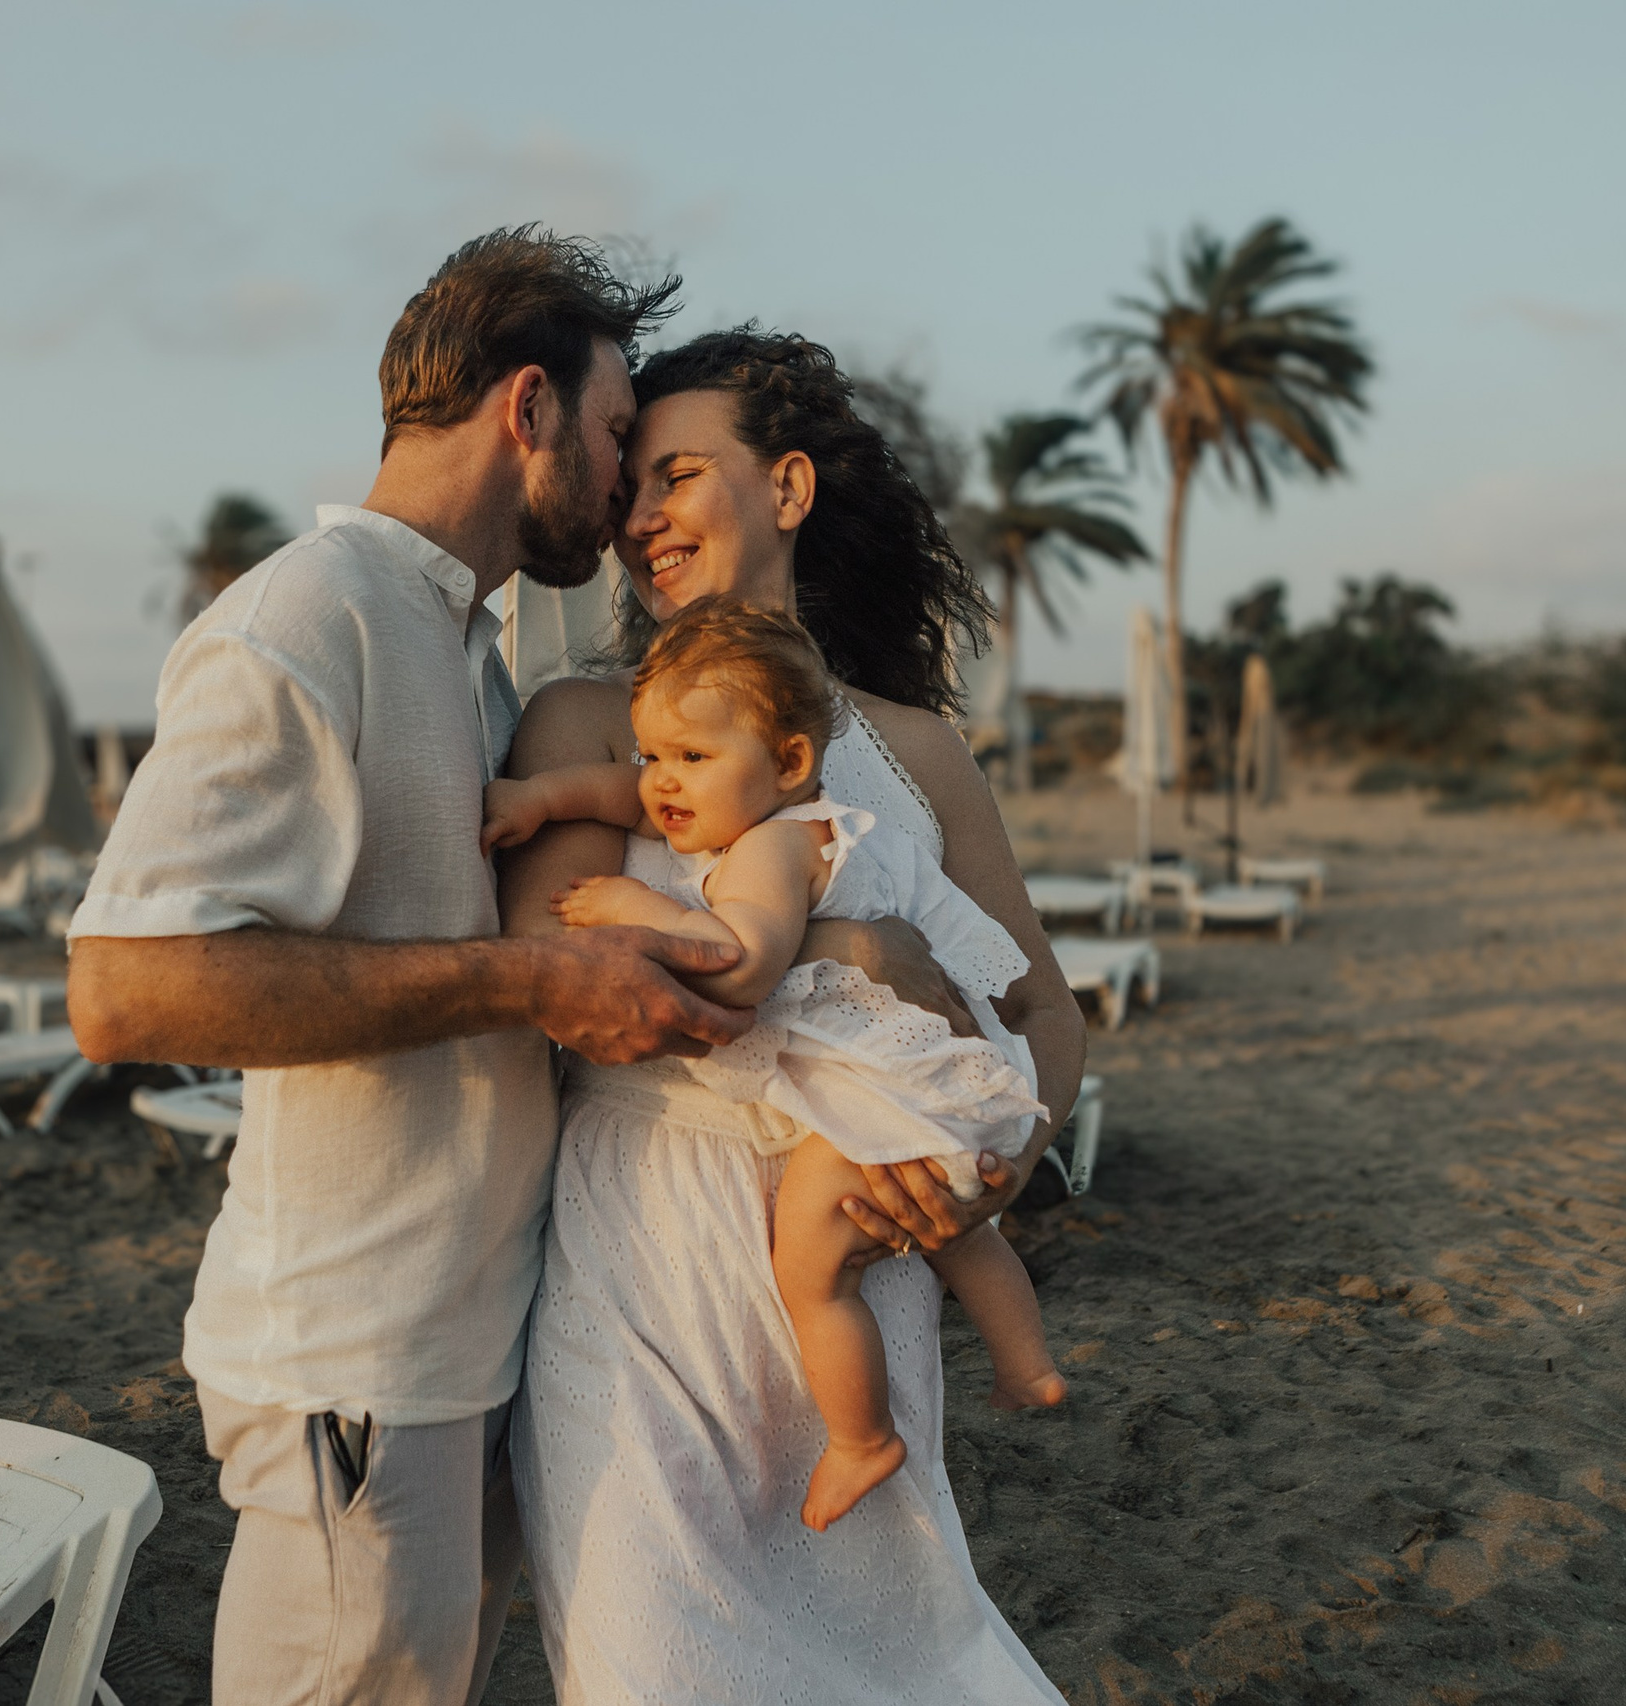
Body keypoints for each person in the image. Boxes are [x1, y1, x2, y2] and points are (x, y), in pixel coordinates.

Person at [68, 231, 951, 1704]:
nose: (621, 494)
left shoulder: (461, 645)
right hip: (353, 1350)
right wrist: (523, 980)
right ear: (525, 408)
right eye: (616, 440)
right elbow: (123, 987)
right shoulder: (308, 614)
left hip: (468, 1341)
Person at [503, 328, 1090, 1703]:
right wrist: (850, 944)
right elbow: (561, 981)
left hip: (861, 1240)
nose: (638, 514)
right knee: (654, 1664)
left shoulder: (917, 747)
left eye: (680, 474)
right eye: (628, 482)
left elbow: (1042, 1002)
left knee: (883, 1661)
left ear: (790, 489)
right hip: (639, 1251)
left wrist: (999, 1163)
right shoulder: (587, 725)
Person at [482, 596, 1065, 1532]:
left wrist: (647, 905)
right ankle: (1025, 1359)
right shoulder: (734, 787)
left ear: (790, 763)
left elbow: (742, 968)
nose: (661, 784)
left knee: (811, 1263)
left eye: (688, 760)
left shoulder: (771, 846)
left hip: (866, 1095)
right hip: (920, 1084)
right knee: (963, 1235)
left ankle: (862, 1438)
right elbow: (623, 793)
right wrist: (540, 800)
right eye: (650, 754)